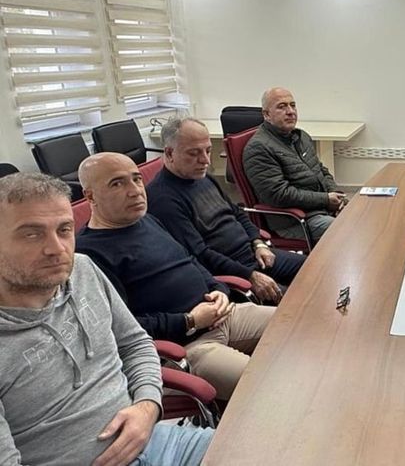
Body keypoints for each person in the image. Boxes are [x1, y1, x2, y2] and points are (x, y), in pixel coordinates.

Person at [0, 172, 213, 466]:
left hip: (157, 440)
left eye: (64, 229)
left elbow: (136, 344)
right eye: (32, 234)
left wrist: (148, 406)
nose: (56, 249)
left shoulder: (83, 269)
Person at [75, 152, 274, 400]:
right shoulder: (88, 255)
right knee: (267, 388)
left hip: (224, 315)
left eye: (137, 179)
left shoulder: (149, 221)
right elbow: (121, 328)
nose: (135, 191)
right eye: (117, 183)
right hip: (186, 348)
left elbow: (191, 260)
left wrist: (218, 290)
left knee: (303, 329)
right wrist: (189, 321)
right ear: (90, 196)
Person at [147, 117, 306, 304]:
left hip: (255, 255)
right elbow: (200, 255)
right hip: (235, 273)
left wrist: (258, 243)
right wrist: (249, 275)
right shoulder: (163, 199)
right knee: (302, 304)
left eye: (208, 150)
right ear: (169, 153)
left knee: (317, 271)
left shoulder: (202, 177)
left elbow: (237, 213)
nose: (206, 160)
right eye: (194, 153)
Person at [244, 87, 346, 245]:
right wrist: (325, 200)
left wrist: (336, 195)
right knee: (351, 228)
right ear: (266, 114)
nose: (290, 111)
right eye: (282, 106)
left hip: (321, 208)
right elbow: (279, 195)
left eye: (293, 105)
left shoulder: (301, 137)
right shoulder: (259, 148)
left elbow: (321, 170)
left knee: (368, 215)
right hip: (296, 219)